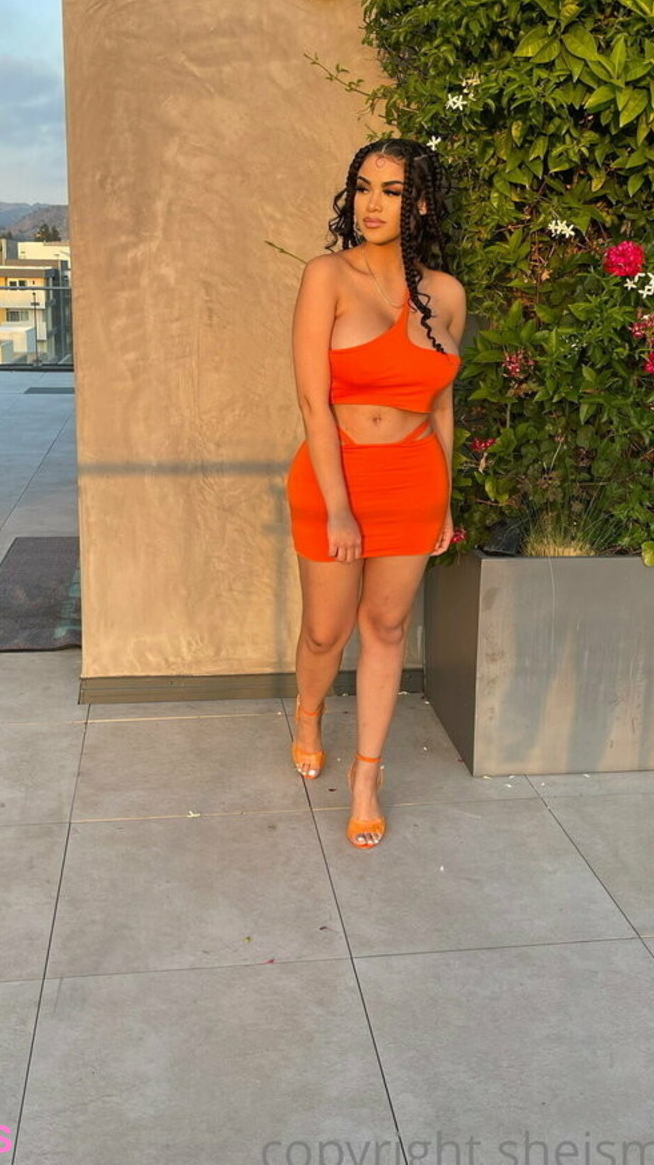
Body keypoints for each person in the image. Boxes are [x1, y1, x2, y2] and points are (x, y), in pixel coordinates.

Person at [284, 138, 466, 849]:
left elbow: (442, 405)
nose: (372, 204)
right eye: (363, 187)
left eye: (391, 191)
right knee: (325, 631)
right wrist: (338, 506)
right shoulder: (327, 275)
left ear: (419, 204)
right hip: (336, 475)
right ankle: (308, 711)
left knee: (387, 628)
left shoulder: (446, 294)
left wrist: (445, 499)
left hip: (414, 480)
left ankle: (367, 777)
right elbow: (312, 402)